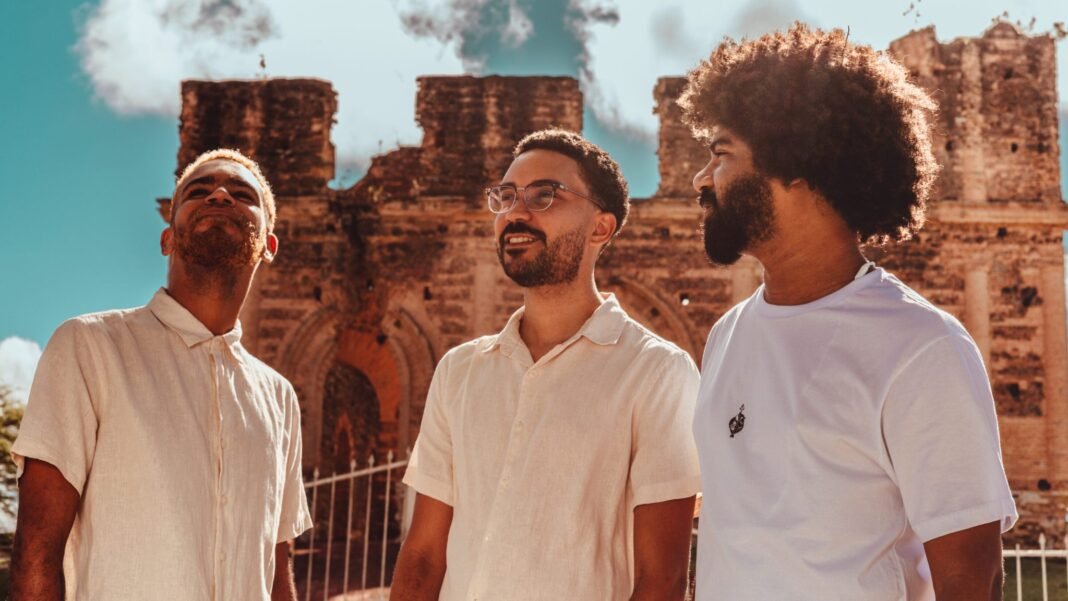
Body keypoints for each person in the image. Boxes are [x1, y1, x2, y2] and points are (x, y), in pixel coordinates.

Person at [679, 24, 1017, 601]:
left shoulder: (921, 346)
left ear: (799, 165)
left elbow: (970, 577)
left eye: (721, 155)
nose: (701, 178)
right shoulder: (726, 335)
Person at [390, 129, 701, 600]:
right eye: (506, 197)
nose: (516, 213)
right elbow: (423, 558)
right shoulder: (459, 371)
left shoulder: (657, 373)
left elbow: (662, 579)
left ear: (600, 228)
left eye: (543, 196)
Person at [11, 149, 312, 600]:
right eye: (198, 190)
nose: (220, 195)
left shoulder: (279, 398)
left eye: (242, 193)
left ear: (270, 245)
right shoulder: (89, 347)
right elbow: (36, 550)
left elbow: (275, 567)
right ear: (167, 239)